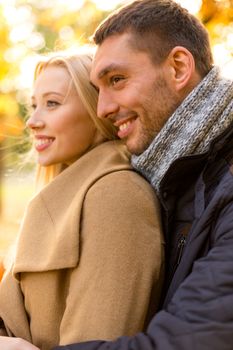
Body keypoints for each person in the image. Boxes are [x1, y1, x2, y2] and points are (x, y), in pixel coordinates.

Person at [51, 0, 232, 349]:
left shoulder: (222, 183)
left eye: (117, 80)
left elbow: (189, 342)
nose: (103, 109)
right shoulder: (171, 178)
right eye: (98, 89)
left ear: (178, 67)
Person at [0, 48, 164, 350]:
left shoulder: (116, 197)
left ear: (96, 110)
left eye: (52, 103)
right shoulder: (63, 197)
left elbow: (97, 342)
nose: (32, 121)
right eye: (33, 105)